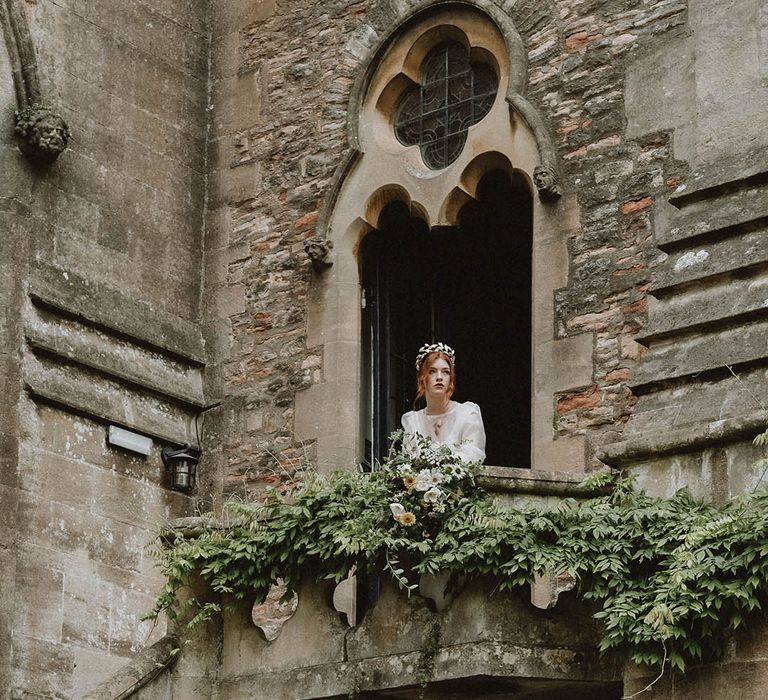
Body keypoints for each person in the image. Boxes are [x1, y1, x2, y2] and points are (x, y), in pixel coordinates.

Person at [401, 342, 486, 463]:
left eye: (445, 372)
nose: (439, 377)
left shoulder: (468, 414)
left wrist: (441, 463)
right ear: (422, 378)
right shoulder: (412, 421)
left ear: (451, 378)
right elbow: (408, 463)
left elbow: (473, 455)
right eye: (432, 371)